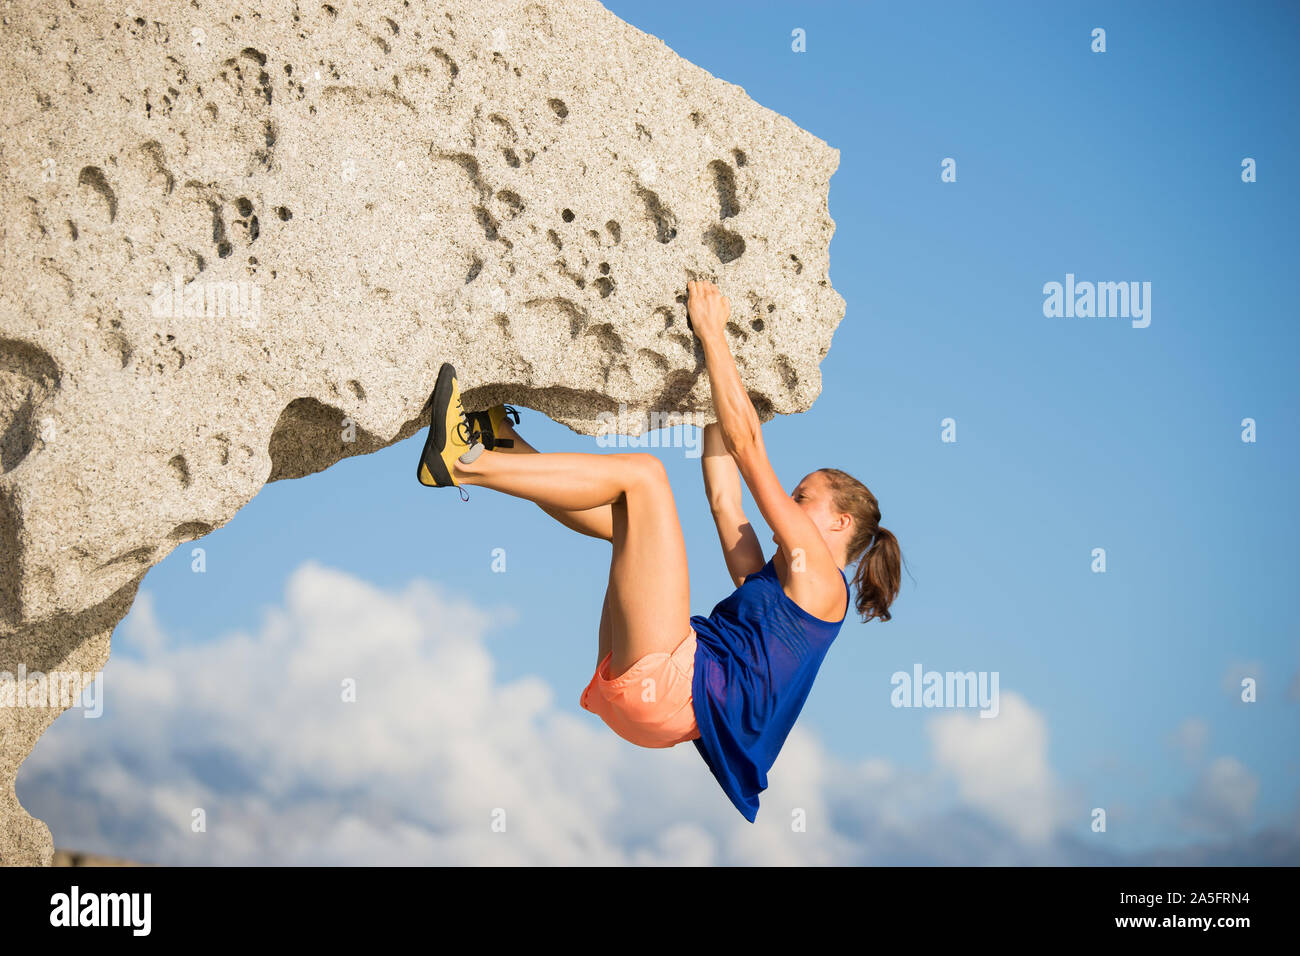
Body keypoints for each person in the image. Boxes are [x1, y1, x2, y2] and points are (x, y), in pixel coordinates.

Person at [416, 279, 902, 820]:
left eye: (802, 497)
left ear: (840, 521)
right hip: (652, 705)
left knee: (645, 476)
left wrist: (716, 336)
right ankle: (501, 440)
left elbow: (749, 452)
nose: (789, 501)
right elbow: (724, 500)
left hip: (675, 687)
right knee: (626, 520)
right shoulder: (779, 590)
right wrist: (715, 396)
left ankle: (461, 463)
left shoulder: (821, 583)